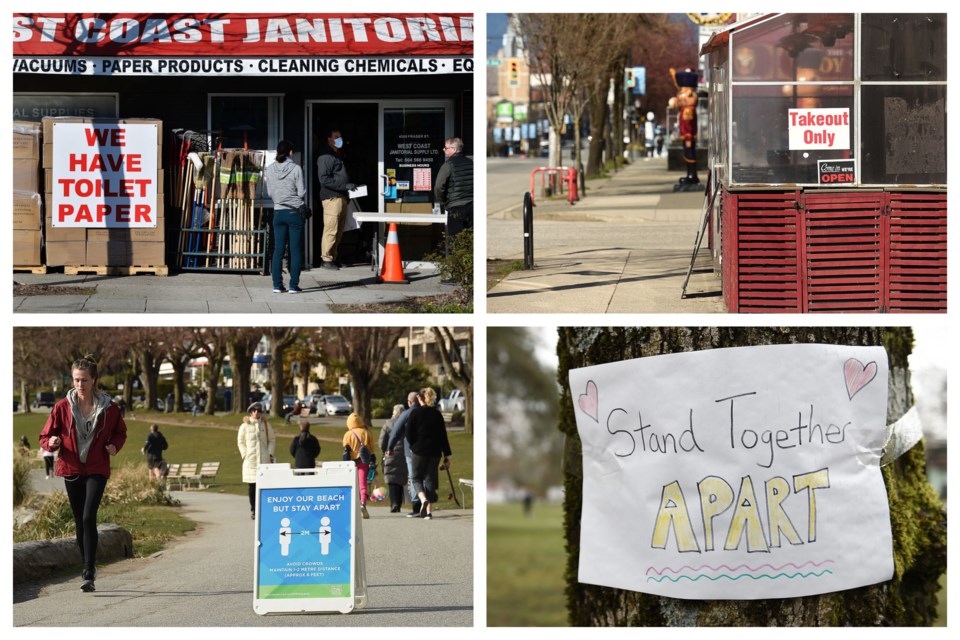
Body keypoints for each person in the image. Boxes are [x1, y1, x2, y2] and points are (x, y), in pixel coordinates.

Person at [38, 356, 127, 592]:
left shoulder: (109, 408)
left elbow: (120, 432)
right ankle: (86, 566)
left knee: (89, 517)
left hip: (97, 467)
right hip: (72, 467)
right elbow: (45, 437)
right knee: (79, 520)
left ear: (94, 380)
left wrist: (114, 446)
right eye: (76, 379)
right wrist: (53, 442)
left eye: (84, 380)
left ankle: (89, 570)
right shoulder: (61, 407)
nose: (79, 384)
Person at [264, 140, 307, 294]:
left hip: (278, 213)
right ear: (290, 153)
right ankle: (293, 285)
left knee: (278, 250)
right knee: (295, 251)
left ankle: (277, 285)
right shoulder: (296, 169)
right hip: (294, 213)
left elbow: (270, 192)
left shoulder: (269, 169)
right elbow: (301, 192)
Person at [406, 387, 452, 520]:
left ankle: (423, 499)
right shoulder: (437, 414)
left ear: (419, 398)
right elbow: (443, 436)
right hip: (435, 451)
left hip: (419, 450)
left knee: (415, 477)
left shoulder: (415, 413)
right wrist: (447, 455)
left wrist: (414, 445)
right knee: (430, 479)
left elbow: (408, 433)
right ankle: (429, 511)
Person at [316, 128, 356, 271]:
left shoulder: (336, 155)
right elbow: (324, 179)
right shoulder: (326, 156)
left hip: (341, 197)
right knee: (331, 229)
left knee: (338, 230)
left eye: (340, 136)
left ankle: (333, 257)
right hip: (332, 197)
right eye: (336, 137)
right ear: (329, 139)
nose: (340, 139)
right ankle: (326, 259)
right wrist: (344, 185)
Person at [385, 391, 423, 517]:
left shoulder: (406, 414)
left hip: (410, 450)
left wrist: (390, 447)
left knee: (413, 477)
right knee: (426, 477)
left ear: (409, 402)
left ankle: (417, 505)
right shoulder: (428, 412)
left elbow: (396, 432)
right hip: (428, 450)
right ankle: (426, 504)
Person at [237, 402, 276, 520]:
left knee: (264, 486)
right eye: (254, 410)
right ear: (250, 412)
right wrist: (245, 454)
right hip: (251, 461)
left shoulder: (265, 424)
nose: (256, 413)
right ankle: (253, 509)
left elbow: (272, 440)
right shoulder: (244, 426)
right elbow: (240, 442)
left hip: (264, 460)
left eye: (259, 410)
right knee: (252, 487)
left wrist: (269, 453)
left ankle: (264, 509)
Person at [434, 136, 473, 237]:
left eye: (446, 148)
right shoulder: (471, 163)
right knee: (471, 239)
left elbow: (439, 187)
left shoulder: (448, 165)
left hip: (456, 208)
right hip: (472, 206)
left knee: (456, 241)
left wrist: (443, 202)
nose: (444, 149)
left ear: (454, 149)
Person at [342, 412, 374, 519]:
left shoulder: (348, 434)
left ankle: (350, 507)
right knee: (362, 484)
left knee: (351, 484)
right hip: (363, 460)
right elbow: (372, 448)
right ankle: (363, 503)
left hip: (351, 462)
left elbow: (346, 448)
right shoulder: (366, 432)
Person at [378, 404, 408, 513]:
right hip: (404, 454)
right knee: (400, 479)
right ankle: (399, 504)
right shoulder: (406, 423)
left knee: (391, 479)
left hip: (390, 453)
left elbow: (382, 442)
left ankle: (394, 502)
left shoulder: (387, 424)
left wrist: (384, 450)